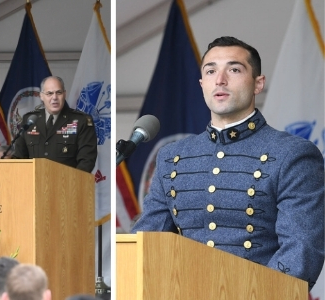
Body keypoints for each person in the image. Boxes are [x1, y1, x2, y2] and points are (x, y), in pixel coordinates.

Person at [132, 36, 325, 288]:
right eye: (211, 71)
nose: (220, 79)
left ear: (258, 83)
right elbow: (148, 243)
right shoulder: (172, 156)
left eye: (234, 69)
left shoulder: (293, 154)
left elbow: (301, 252)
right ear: (202, 83)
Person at [12, 76, 97, 173]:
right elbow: (19, 158)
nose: (54, 97)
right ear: (41, 96)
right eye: (49, 93)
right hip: (33, 185)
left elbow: (86, 161)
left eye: (59, 92)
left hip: (67, 185)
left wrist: (71, 183)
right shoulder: (30, 120)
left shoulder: (81, 121)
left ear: (64, 94)